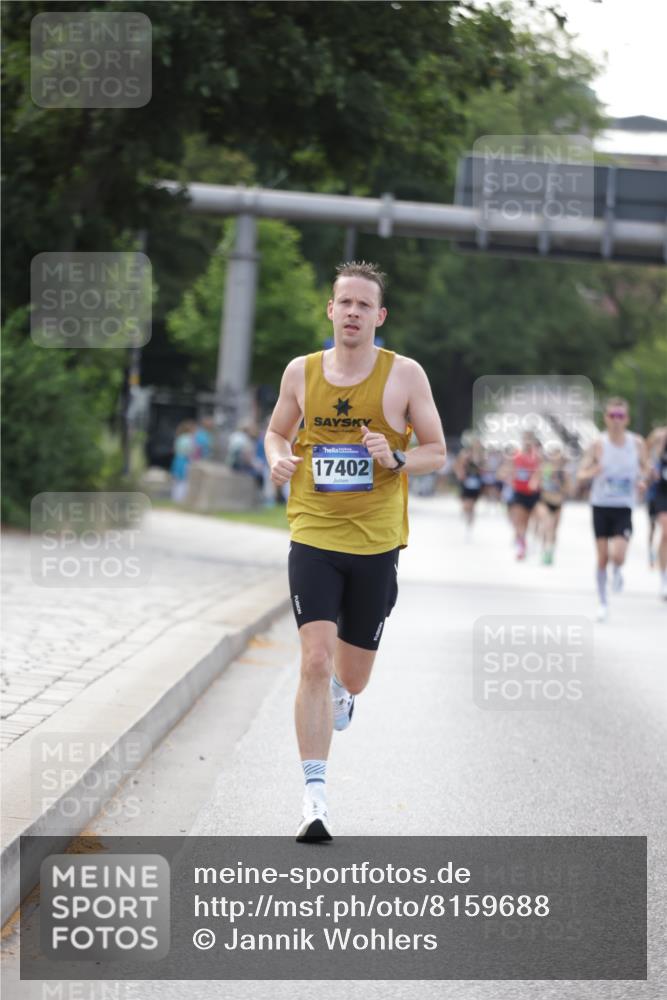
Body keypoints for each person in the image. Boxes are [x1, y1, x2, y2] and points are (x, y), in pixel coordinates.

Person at [264, 261, 446, 842]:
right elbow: (276, 432)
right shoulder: (301, 371)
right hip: (313, 532)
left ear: (379, 316)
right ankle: (314, 798)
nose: (353, 313)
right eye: (345, 302)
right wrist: (277, 458)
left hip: (375, 542)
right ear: (330, 309)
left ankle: (345, 695)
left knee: (352, 677)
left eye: (364, 305)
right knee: (314, 661)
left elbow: (437, 451)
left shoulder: (405, 375)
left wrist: (396, 457)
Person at [577, 398, 649, 622]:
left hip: (623, 506)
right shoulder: (598, 444)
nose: (617, 420)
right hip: (600, 505)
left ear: (627, 419)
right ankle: (603, 603)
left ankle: (617, 571)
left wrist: (642, 481)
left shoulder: (636, 443)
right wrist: (593, 471)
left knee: (618, 555)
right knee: (602, 557)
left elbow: (646, 468)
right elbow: (580, 474)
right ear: (606, 419)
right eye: (612, 416)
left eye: (621, 416)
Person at [509, 432, 542, 561]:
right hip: (520, 492)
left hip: (533, 494)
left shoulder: (537, 456)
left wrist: (535, 480)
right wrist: (511, 480)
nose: (527, 443)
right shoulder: (516, 455)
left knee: (530, 521)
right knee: (520, 522)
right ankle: (521, 547)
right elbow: (511, 470)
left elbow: (540, 471)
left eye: (530, 440)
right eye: (525, 440)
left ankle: (533, 541)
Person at [536, 445, 570, 565]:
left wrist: (559, 484)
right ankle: (545, 550)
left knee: (554, 530)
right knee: (548, 526)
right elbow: (535, 483)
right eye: (554, 455)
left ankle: (550, 550)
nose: (556, 458)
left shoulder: (564, 473)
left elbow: (569, 490)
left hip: (558, 503)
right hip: (544, 501)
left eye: (558, 456)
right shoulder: (544, 469)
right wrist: (542, 482)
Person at [646, 425, 667, 599]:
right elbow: (651, 449)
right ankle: (664, 579)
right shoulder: (661, 442)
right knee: (662, 531)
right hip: (660, 494)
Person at [454, 434, 484, 538]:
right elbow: (458, 465)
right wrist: (460, 474)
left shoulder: (482, 456)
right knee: (466, 504)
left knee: (472, 506)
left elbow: (485, 468)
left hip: (476, 484)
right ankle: (466, 513)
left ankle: (470, 525)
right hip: (466, 482)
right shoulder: (465, 454)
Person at [170, 419, 197, 503]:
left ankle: (175, 498)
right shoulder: (189, 439)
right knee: (183, 481)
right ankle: (180, 499)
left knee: (176, 480)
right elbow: (190, 451)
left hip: (177, 460)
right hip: (184, 461)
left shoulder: (180, 437)